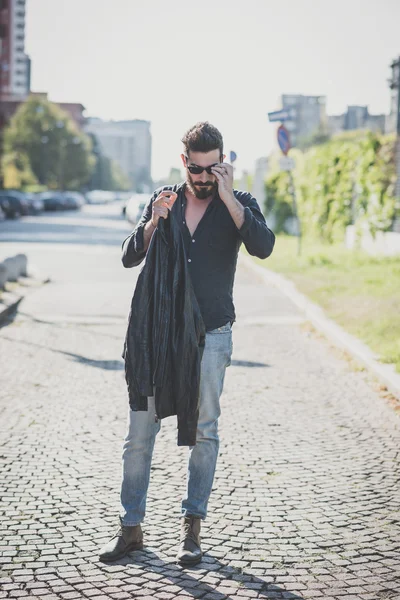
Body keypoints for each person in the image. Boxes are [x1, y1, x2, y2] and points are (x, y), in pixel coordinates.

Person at [99, 122, 275, 566]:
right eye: (196, 169)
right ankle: (131, 529)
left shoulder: (239, 204)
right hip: (157, 336)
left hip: (212, 334)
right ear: (184, 163)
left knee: (204, 431)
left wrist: (231, 197)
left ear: (222, 163)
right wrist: (155, 220)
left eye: (211, 169)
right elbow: (128, 256)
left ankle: (191, 532)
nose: (202, 178)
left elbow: (264, 246)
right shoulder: (164, 200)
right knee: (140, 433)